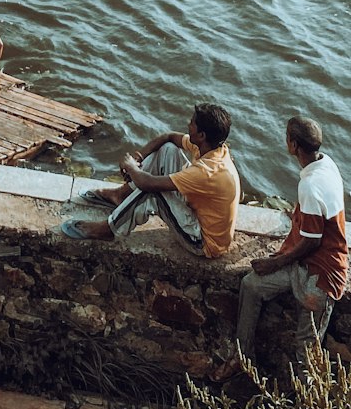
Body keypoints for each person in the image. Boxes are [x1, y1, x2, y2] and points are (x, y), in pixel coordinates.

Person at [216, 116, 347, 378]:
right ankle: (243, 357)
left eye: (287, 136)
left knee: (305, 353)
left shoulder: (310, 184)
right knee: (251, 285)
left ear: (294, 145)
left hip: (321, 275)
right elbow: (315, 214)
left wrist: (274, 263)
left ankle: (307, 408)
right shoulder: (325, 164)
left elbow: (312, 241)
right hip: (302, 264)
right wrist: (298, 216)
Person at [61, 104, 240, 255]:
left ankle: (108, 230)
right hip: (196, 210)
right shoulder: (211, 148)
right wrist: (139, 156)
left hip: (202, 241)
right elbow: (168, 137)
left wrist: (130, 165)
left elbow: (148, 184)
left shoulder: (207, 172)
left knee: (153, 194)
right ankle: (121, 195)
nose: (188, 124)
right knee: (168, 149)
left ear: (202, 135)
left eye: (192, 123)